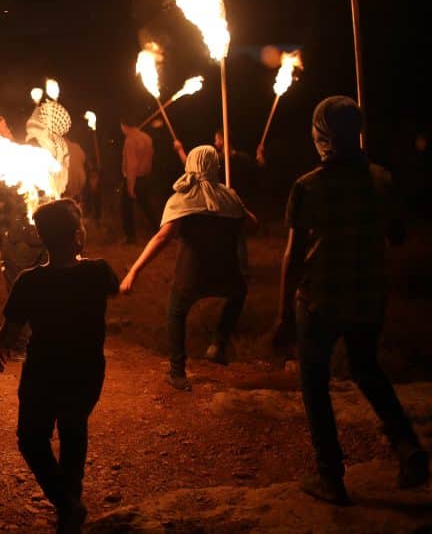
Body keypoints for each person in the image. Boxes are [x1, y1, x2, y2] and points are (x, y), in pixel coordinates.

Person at [275, 96, 428, 505]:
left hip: (319, 300)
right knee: (366, 368)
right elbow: (397, 235)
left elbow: (293, 255)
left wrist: (282, 318)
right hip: (368, 295)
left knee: (314, 381)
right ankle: (408, 447)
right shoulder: (381, 179)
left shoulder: (307, 186)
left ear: (322, 135)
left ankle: (330, 477)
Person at [0, 199, 119, 533]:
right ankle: (70, 503)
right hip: (86, 370)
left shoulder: (29, 281)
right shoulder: (98, 272)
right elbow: (115, 288)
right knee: (74, 429)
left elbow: (9, 332)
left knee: (31, 439)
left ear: (41, 239)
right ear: (78, 235)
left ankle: (66, 505)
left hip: (43, 373)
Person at [120, 146, 254, 391]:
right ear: (216, 166)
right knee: (238, 292)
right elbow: (250, 222)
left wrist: (133, 271)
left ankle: (177, 372)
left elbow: (162, 238)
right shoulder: (230, 197)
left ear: (190, 164)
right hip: (226, 271)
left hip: (192, 273)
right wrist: (231, 203)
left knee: (176, 312)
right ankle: (218, 343)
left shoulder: (183, 199)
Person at [119, 114, 158, 244]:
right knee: (148, 207)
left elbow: (131, 164)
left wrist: (130, 186)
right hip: (145, 177)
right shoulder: (147, 137)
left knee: (126, 209)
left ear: (124, 126)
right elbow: (151, 157)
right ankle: (159, 230)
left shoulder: (130, 140)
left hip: (134, 178)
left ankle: (130, 237)